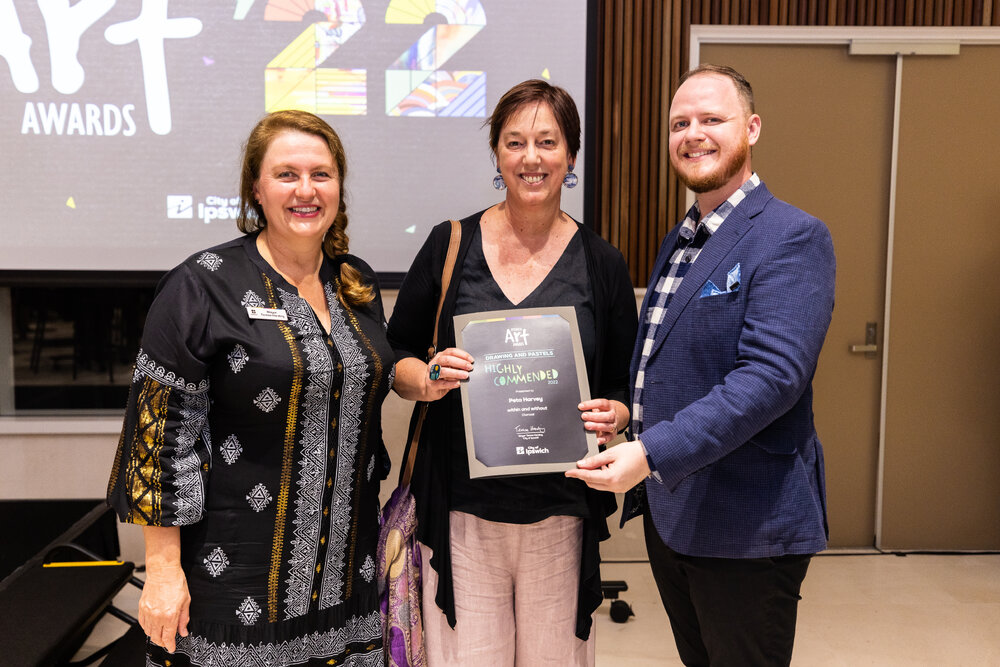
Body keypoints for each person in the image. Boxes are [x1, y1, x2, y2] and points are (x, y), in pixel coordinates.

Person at [567, 64, 836, 666]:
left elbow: (770, 379)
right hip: (677, 515)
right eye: (679, 123)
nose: (694, 134)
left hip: (747, 525)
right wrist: (629, 415)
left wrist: (652, 452)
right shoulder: (685, 236)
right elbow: (675, 362)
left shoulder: (791, 236)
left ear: (753, 128)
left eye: (712, 119)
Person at [107, 110, 393, 667]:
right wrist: (163, 573)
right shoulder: (203, 284)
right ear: (256, 189)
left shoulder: (354, 282)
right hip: (232, 583)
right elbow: (158, 440)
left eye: (322, 174)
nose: (306, 190)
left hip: (345, 582)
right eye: (287, 174)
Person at [387, 79, 637, 666]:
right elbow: (393, 355)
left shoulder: (601, 262)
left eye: (547, 142)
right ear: (496, 154)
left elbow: (625, 386)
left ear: (570, 155)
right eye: (515, 142)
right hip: (462, 512)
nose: (531, 158)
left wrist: (617, 413)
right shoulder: (450, 244)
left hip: (561, 509)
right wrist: (425, 379)